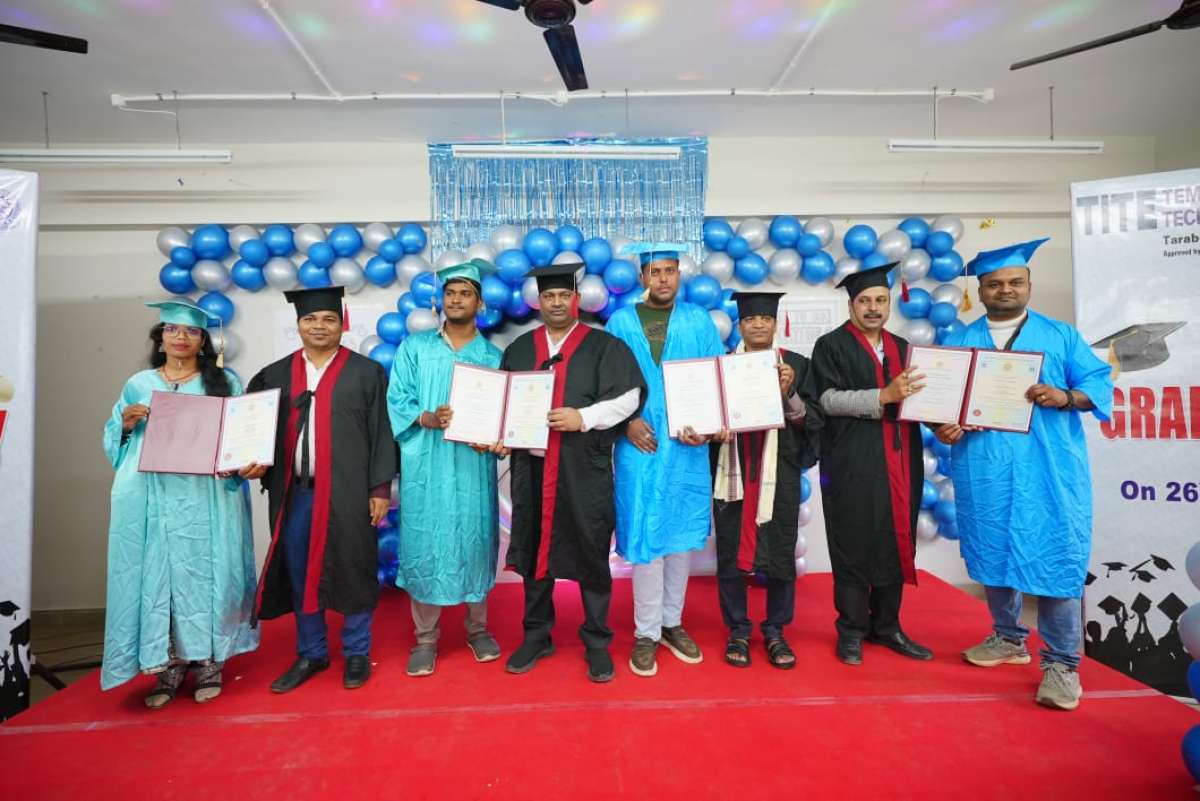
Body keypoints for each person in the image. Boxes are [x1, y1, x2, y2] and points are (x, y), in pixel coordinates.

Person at [935, 238, 1112, 711]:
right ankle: (1009, 637)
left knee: (1056, 560)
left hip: (1048, 468)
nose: (1006, 290)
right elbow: (942, 404)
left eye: (1015, 282)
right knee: (992, 550)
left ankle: (1062, 665)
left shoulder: (1061, 336)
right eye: (995, 284)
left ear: (1029, 284)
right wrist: (943, 426)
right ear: (980, 290)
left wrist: (1066, 397)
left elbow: (1097, 383)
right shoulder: (960, 341)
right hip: (984, 466)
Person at [101, 300, 258, 707]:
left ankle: (208, 662)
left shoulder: (224, 382)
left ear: (203, 340)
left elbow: (242, 437)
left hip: (207, 496)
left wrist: (244, 463)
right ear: (160, 338)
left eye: (191, 331)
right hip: (155, 496)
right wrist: (126, 425)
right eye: (172, 330)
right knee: (161, 579)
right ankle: (168, 665)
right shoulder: (139, 384)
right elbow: (115, 441)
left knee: (207, 574)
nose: (181, 337)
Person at [244, 286, 396, 693]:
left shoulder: (366, 372)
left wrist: (380, 488)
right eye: (310, 319)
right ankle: (311, 652)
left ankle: (357, 651)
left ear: (342, 324)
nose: (319, 326)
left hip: (349, 491)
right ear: (298, 325)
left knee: (354, 566)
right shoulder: (275, 375)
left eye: (329, 319)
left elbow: (382, 433)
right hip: (295, 493)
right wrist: (249, 459)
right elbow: (253, 428)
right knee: (299, 569)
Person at [501, 262, 645, 683]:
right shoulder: (521, 349)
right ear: (539, 302)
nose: (557, 303)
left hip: (584, 467)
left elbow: (629, 397)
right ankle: (537, 635)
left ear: (577, 299)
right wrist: (498, 433)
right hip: (531, 469)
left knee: (590, 550)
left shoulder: (604, 346)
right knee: (534, 548)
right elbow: (502, 403)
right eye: (549, 296)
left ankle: (597, 641)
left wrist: (583, 417)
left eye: (565, 295)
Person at [606, 243, 726, 677]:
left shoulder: (698, 321)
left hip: (687, 444)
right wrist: (626, 424)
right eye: (654, 271)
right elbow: (606, 383)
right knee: (644, 533)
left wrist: (710, 427)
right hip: (639, 442)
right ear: (642, 277)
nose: (662, 279)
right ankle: (646, 632)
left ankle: (671, 623)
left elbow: (717, 377)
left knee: (678, 534)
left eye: (670, 271)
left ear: (679, 275)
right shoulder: (620, 322)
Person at [387, 259, 504, 677]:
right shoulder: (416, 347)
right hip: (427, 464)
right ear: (440, 300)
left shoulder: (492, 356)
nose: (457, 300)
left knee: (476, 540)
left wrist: (498, 437)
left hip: (473, 463)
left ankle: (478, 629)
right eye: (450, 293)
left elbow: (503, 414)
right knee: (426, 542)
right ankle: (425, 639)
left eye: (466, 293)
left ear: (480, 302)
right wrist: (426, 417)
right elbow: (397, 398)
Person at [810, 263, 932, 666]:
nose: (873, 308)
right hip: (851, 461)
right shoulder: (831, 345)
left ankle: (888, 626)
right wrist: (882, 396)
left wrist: (947, 420)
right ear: (852, 306)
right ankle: (851, 630)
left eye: (880, 300)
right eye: (865, 301)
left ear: (889, 304)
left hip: (901, 460)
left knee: (895, 538)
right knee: (854, 541)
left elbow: (923, 398)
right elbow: (825, 400)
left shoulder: (904, 347)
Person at [710, 292, 822, 669]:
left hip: (780, 471)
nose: (757, 324)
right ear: (740, 325)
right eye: (749, 319)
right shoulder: (722, 366)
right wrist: (713, 430)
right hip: (733, 470)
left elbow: (812, 420)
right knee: (730, 553)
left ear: (775, 323)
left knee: (781, 552)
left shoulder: (797, 365)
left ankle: (775, 630)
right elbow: (709, 416)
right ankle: (738, 630)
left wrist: (789, 392)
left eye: (764, 319)